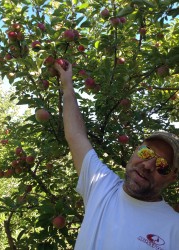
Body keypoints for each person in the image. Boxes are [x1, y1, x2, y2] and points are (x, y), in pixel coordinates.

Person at [54, 61, 179, 250]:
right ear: (136, 149)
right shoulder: (101, 186)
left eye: (162, 165)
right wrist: (67, 86)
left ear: (173, 177)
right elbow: (76, 135)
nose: (147, 165)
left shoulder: (174, 228)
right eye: (146, 152)